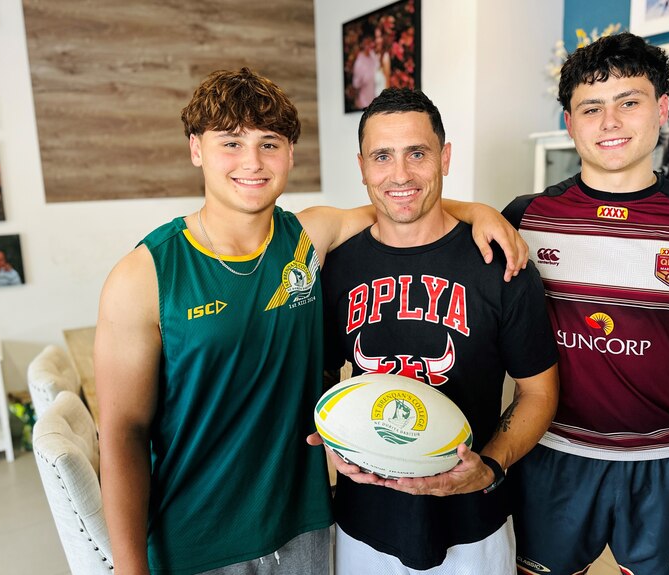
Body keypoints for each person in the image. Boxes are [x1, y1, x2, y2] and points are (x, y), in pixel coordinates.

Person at [95, 67, 528, 575]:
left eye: (269, 143)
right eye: (230, 143)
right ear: (196, 148)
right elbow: (121, 434)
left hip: (305, 527)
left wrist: (480, 211)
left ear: (290, 153)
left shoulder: (308, 237)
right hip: (197, 537)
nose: (252, 162)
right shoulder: (144, 273)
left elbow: (400, 200)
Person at [502, 32, 669, 575]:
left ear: (662, 110)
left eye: (628, 102)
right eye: (591, 107)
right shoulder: (523, 218)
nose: (610, 122)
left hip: (666, 464)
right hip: (550, 457)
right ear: (570, 122)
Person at [312, 88, 559, 575]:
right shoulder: (335, 266)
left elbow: (539, 392)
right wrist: (333, 441)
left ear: (445, 158)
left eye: (417, 154)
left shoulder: (500, 262)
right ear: (362, 166)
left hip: (474, 526)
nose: (400, 174)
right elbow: (318, 373)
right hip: (363, 523)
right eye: (382, 156)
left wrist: (488, 468)